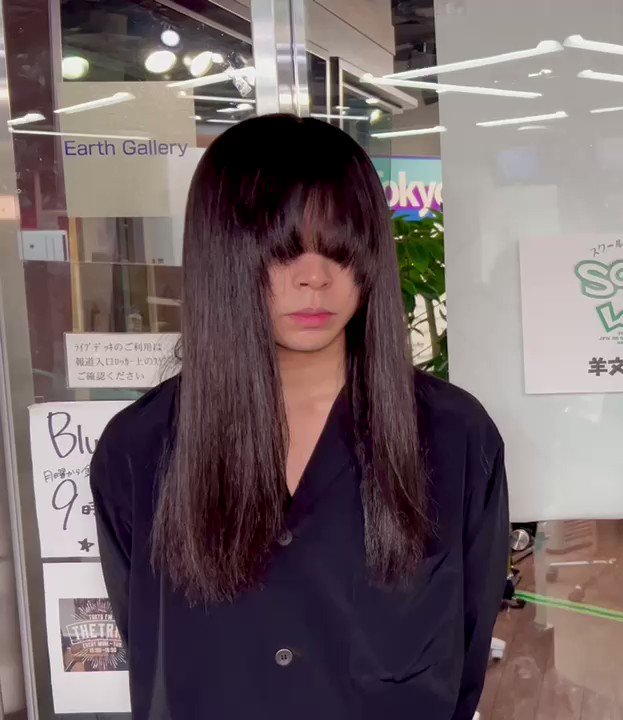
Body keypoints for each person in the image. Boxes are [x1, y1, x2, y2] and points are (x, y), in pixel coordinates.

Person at [90, 115, 510, 720]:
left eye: (341, 249)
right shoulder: (140, 447)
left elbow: (464, 651)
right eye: (281, 251)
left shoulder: (453, 437)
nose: (315, 277)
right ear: (222, 256)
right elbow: (149, 647)